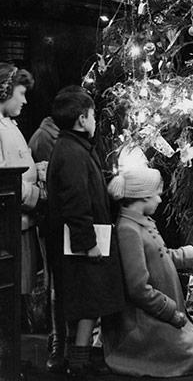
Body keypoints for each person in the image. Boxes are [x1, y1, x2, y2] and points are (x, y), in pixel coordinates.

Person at [102, 167, 193, 377]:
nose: (160, 201)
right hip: (143, 321)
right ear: (143, 197)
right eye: (157, 195)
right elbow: (137, 288)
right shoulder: (129, 230)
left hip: (158, 314)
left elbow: (163, 256)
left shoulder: (143, 224)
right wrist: (171, 313)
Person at [47, 88, 125, 379]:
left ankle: (78, 358)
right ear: (82, 119)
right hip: (82, 242)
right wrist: (88, 243)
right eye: (92, 115)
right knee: (88, 301)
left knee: (86, 301)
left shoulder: (72, 147)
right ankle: (78, 363)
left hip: (80, 239)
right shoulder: (72, 152)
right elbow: (76, 201)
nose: (95, 121)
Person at [28, 85, 86, 373]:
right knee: (56, 285)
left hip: (65, 223)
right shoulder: (50, 139)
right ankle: (58, 342)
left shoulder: (73, 140)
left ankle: (73, 343)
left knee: (69, 285)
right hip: (55, 222)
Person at [0, 63, 41, 321]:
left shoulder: (9, 124)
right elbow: (4, 180)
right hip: (8, 226)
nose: (25, 100)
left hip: (21, 223)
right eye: (21, 93)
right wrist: (36, 194)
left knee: (17, 291)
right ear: (5, 90)